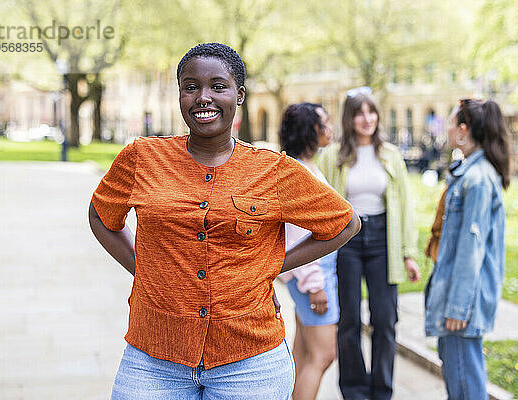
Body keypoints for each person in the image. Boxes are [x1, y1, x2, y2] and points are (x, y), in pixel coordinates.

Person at [88, 42, 361, 400]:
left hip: (250, 361)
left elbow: (344, 223)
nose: (204, 97)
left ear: (239, 95)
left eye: (218, 86)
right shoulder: (143, 158)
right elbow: (101, 214)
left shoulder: (273, 169)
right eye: (191, 87)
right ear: (180, 95)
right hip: (154, 357)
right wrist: (145, 269)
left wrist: (272, 265)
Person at [316, 87, 420, 400]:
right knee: (348, 320)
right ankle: (355, 391)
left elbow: (406, 206)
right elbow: (320, 202)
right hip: (347, 239)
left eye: (371, 112)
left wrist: (409, 254)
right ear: (350, 118)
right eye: (360, 113)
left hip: (383, 240)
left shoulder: (390, 155)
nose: (367, 118)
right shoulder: (332, 156)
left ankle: (381, 390)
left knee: (385, 320)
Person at [424, 99, 510, 400]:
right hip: (457, 296)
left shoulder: (478, 179)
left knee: (464, 386)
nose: (446, 129)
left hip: (463, 302)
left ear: (463, 130)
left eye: (450, 123)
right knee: (459, 379)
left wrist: (459, 306)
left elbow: (470, 248)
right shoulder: (468, 173)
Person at [277, 103, 338, 400]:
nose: (329, 128)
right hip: (314, 276)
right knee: (323, 355)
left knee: (303, 354)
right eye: (323, 123)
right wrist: (315, 285)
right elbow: (298, 235)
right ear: (309, 130)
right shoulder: (300, 172)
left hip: (312, 274)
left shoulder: (305, 167)